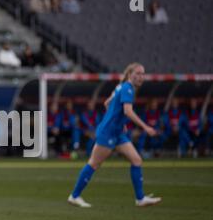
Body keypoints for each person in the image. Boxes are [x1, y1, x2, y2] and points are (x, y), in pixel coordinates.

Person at [67, 63, 162, 208]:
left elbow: (107, 103)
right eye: (138, 73)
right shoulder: (127, 88)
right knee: (94, 163)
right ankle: (74, 196)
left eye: (143, 74)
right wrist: (145, 127)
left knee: (136, 160)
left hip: (117, 132)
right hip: (109, 132)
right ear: (130, 74)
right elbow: (128, 111)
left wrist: (119, 120)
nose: (141, 76)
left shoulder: (121, 86)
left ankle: (140, 198)